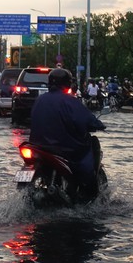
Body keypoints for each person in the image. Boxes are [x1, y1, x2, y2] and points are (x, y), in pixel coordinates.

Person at [29, 68, 105, 196]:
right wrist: (98, 125)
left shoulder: (40, 99)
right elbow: (85, 119)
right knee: (85, 157)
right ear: (67, 83)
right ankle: (87, 192)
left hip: (38, 145)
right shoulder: (70, 101)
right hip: (64, 148)